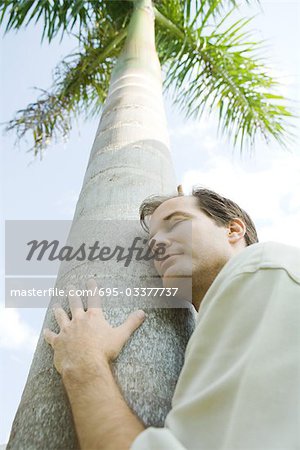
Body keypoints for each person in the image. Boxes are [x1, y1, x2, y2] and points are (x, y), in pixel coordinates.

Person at [44, 187, 300, 450]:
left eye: (177, 223)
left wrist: (84, 363)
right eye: (151, 239)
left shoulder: (264, 269)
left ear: (233, 230)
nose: (155, 244)